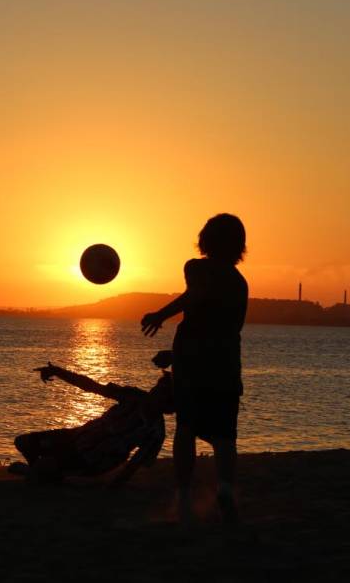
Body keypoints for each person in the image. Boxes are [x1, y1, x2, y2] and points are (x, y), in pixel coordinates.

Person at [141, 213, 248, 523]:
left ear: (205, 240)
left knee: (186, 430)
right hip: (225, 367)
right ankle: (226, 488)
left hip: (193, 369)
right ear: (239, 246)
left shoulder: (196, 268)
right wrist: (173, 352)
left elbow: (196, 297)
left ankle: (184, 497)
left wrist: (161, 315)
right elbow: (220, 330)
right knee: (226, 436)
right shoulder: (240, 284)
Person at [10, 351, 175, 486]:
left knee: (45, 466)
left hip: (92, 460)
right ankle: (41, 473)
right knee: (23, 442)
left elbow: (135, 464)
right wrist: (58, 371)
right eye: (157, 387)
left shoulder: (155, 430)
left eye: (162, 392)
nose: (155, 392)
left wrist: (114, 486)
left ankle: (38, 472)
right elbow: (90, 386)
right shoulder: (133, 396)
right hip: (76, 437)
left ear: (168, 403)